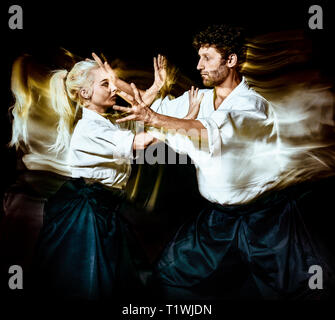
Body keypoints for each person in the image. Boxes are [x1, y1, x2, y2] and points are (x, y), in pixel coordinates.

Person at [112, 24, 335, 300]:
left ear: (231, 60)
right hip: (219, 218)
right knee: (171, 275)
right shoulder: (201, 98)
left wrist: (154, 119)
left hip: (266, 218)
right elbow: (152, 111)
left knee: (303, 288)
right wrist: (115, 83)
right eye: (199, 57)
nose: (199, 65)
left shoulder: (253, 106)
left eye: (207, 58)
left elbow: (207, 129)